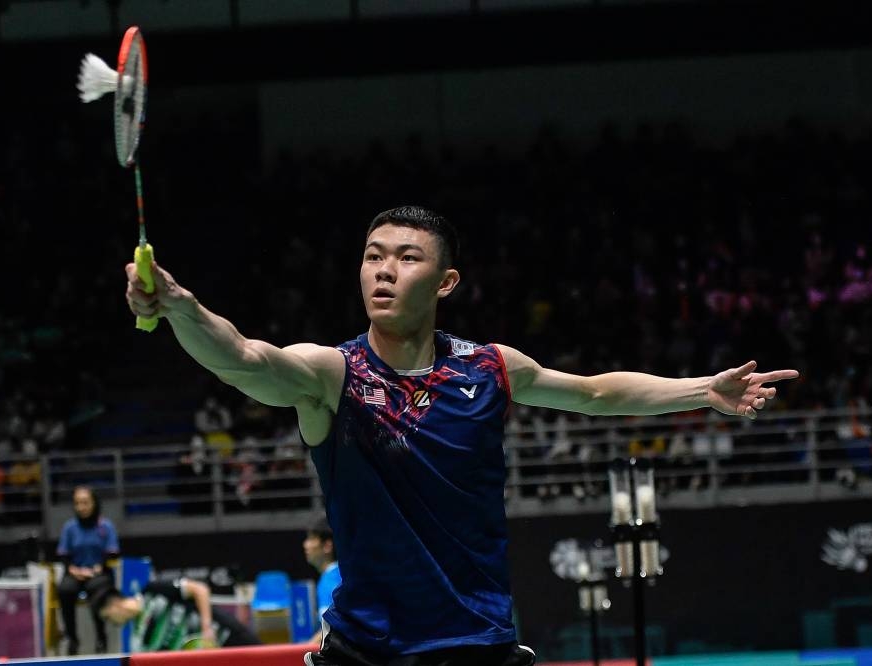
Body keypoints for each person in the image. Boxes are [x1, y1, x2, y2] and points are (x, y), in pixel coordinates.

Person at [125, 205, 800, 666]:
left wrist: (701, 392)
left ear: (445, 280)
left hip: (476, 643)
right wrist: (182, 307)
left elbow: (596, 391)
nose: (383, 270)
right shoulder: (334, 375)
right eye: (372, 256)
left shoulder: (490, 368)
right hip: (367, 649)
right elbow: (245, 359)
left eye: (406, 258)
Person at [90, 577, 261, 651]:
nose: (111, 622)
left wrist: (206, 627)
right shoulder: (138, 641)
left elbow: (200, 590)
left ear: (113, 604)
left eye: (107, 617)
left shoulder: (153, 591)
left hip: (227, 635)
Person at [56, 485, 120, 655]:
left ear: (94, 503)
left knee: (96, 590)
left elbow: (112, 553)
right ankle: (73, 639)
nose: (81, 507)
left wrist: (98, 568)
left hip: (99, 573)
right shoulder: (70, 527)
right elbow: (63, 555)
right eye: (77, 503)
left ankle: (101, 638)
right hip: (75, 572)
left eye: (85, 502)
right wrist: (74, 570)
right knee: (64, 589)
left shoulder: (105, 526)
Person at [303, 515, 342, 646]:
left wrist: (299, 653)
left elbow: (332, 630)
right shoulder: (335, 576)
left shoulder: (331, 582)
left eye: (311, 539)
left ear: (327, 546)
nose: (306, 545)